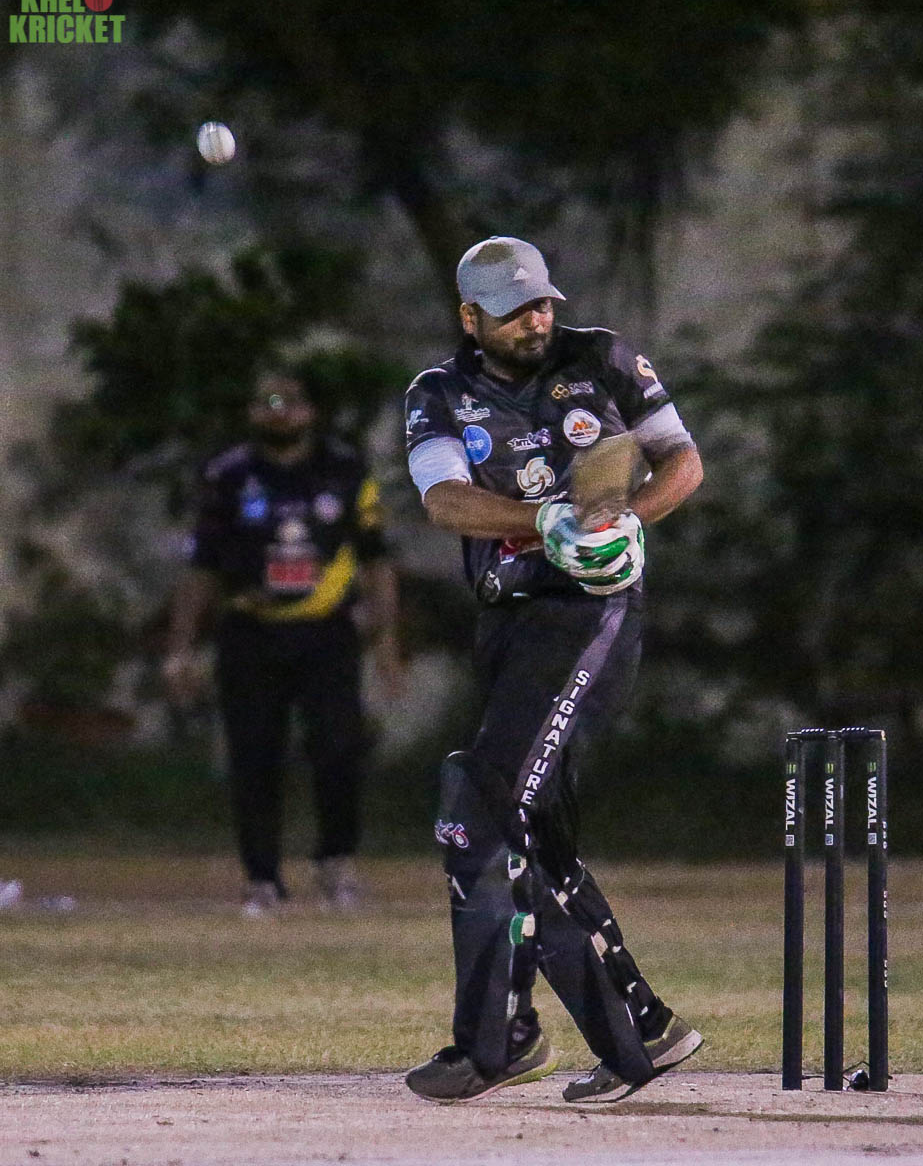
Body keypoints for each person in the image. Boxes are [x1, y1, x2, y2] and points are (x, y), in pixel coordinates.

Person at [403, 236, 704, 1104]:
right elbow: (443, 500)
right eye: (514, 313)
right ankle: (643, 1026)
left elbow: (681, 461)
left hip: (589, 612)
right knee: (533, 833)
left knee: (482, 806)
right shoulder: (437, 393)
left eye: (542, 304)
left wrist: (628, 522)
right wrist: (545, 519)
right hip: (507, 618)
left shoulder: (600, 359)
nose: (537, 322)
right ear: (470, 318)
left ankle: (499, 1040)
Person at [162, 367, 401, 917]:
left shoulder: (345, 470)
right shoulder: (227, 475)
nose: (277, 411)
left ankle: (336, 859)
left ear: (310, 411)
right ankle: (262, 877)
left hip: (327, 632)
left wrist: (387, 640)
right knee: (253, 755)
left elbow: (376, 560)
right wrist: (179, 649)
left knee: (338, 747)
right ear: (250, 412)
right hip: (250, 631)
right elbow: (200, 567)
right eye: (265, 402)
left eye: (289, 401)